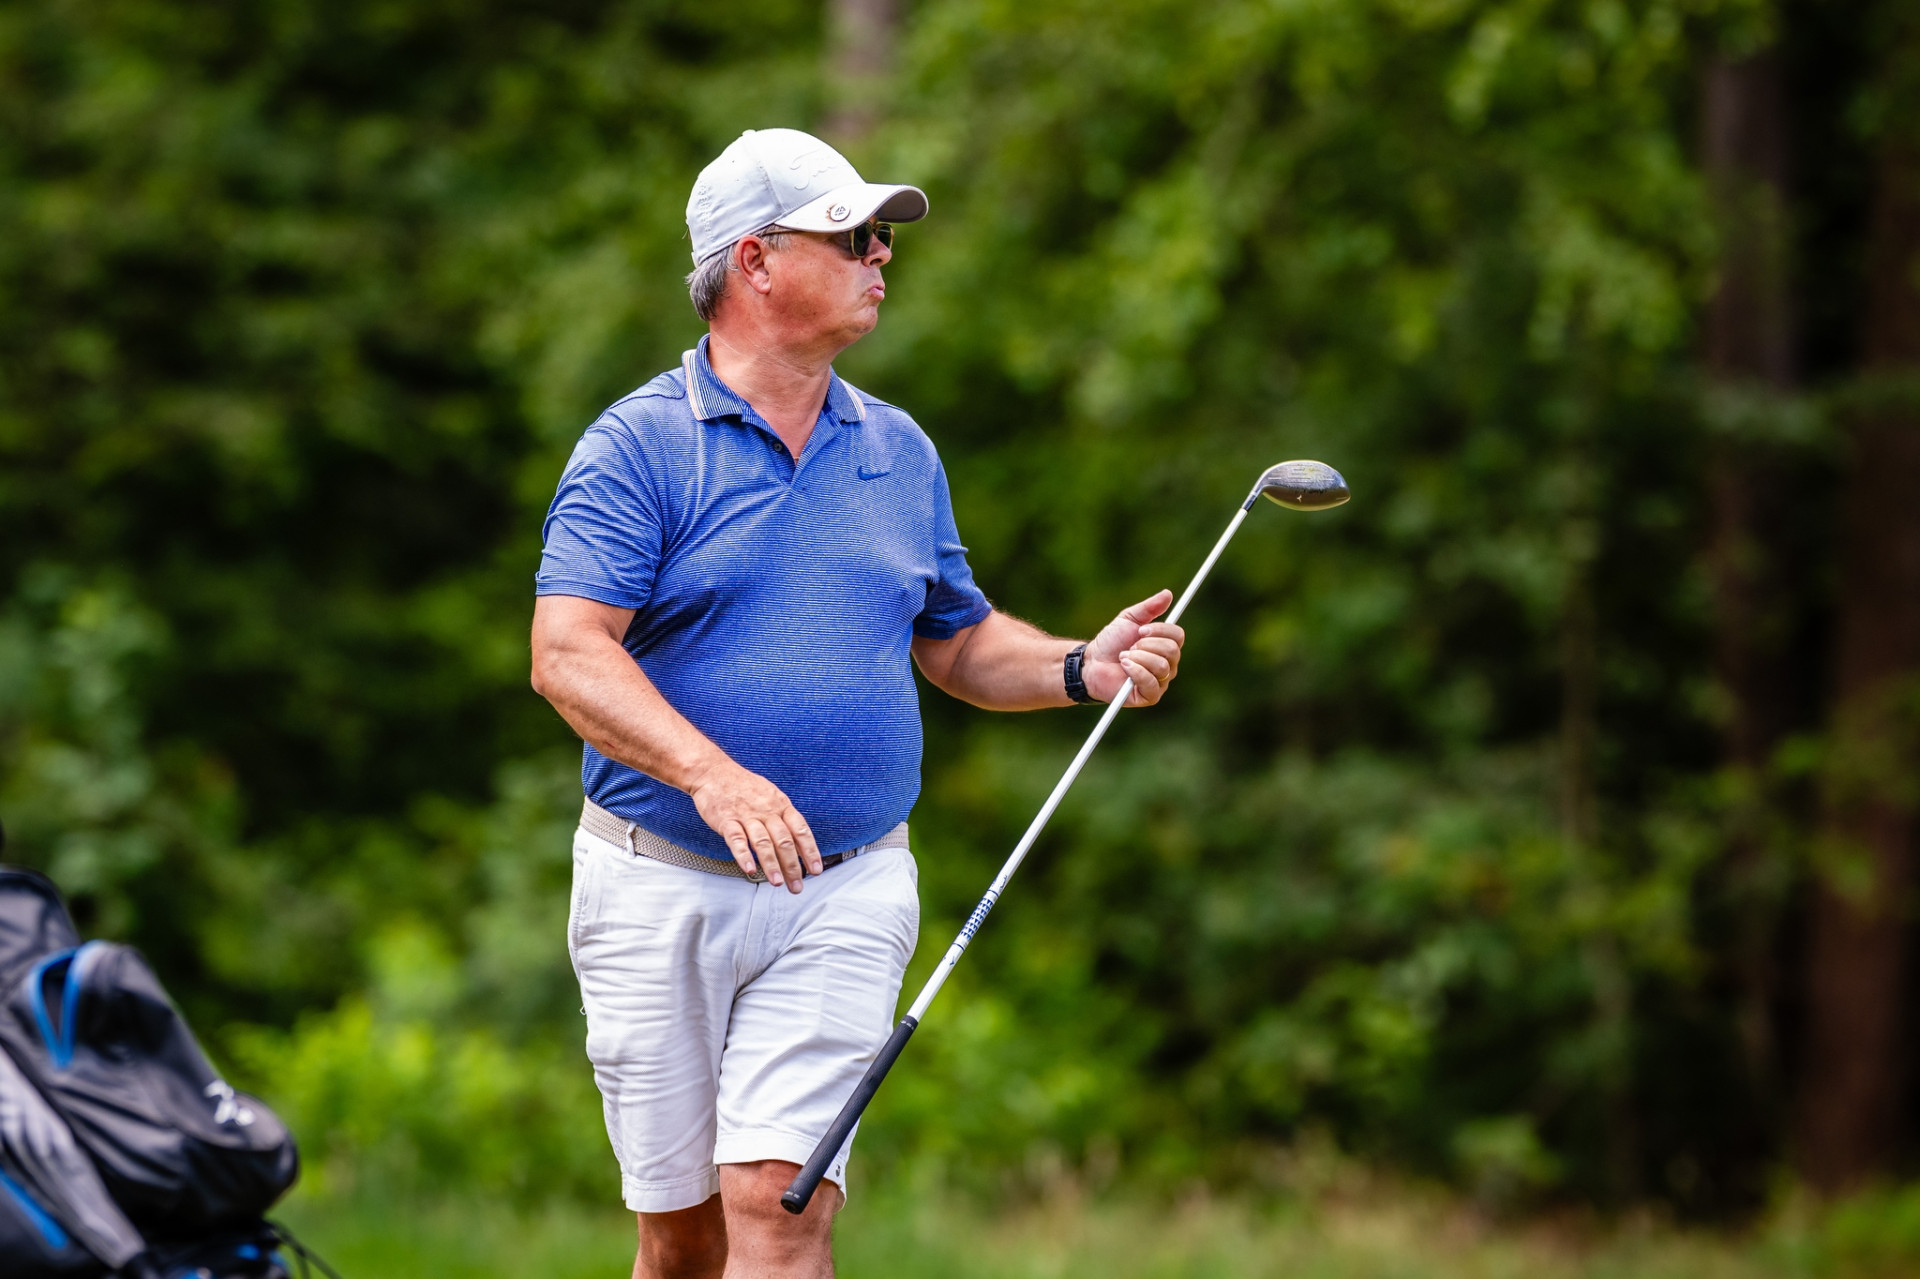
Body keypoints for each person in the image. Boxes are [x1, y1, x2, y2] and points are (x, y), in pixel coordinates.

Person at [529, 128, 1186, 1279]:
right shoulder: (640, 446)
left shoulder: (898, 449)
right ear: (755, 260)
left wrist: (1084, 664)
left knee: (780, 1213)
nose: (882, 255)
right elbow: (568, 654)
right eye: (853, 236)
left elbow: (959, 640)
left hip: (847, 886)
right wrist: (713, 776)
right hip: (658, 881)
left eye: (881, 236)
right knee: (683, 1241)